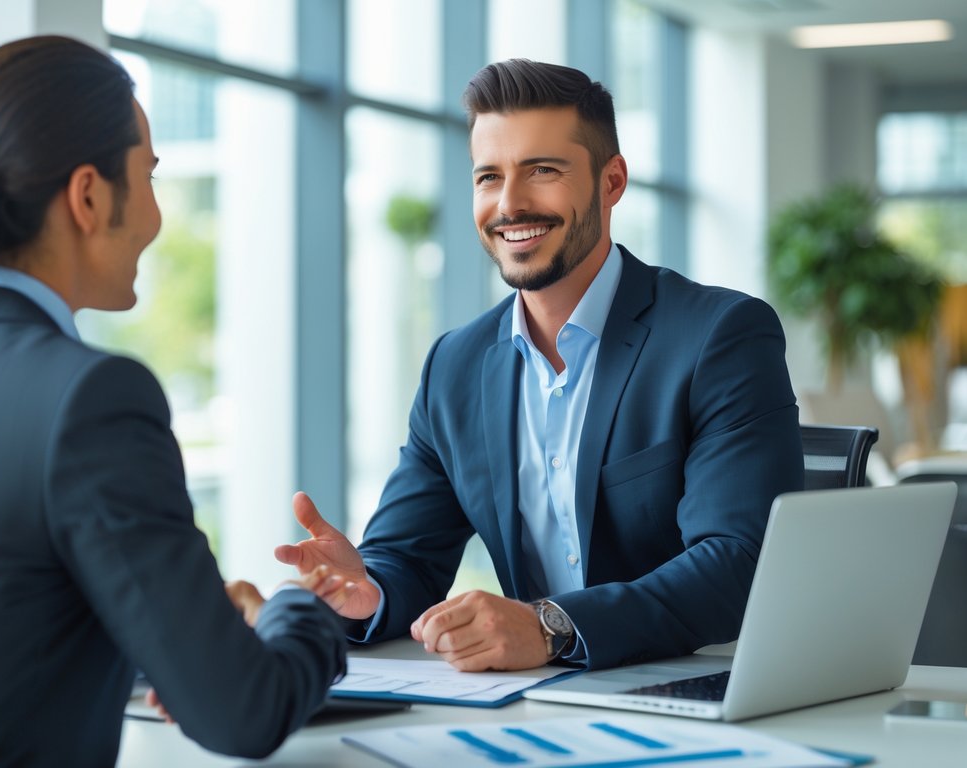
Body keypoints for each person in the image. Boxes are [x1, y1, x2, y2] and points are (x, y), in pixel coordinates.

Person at [0, 35, 345, 767]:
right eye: (149, 177)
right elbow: (244, 714)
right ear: (89, 196)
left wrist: (176, 637)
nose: (157, 218)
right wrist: (301, 610)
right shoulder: (92, 396)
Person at [276, 58, 803, 673]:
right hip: (538, 700)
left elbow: (740, 559)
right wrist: (365, 591)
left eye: (542, 171)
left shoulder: (719, 336)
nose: (510, 204)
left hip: (704, 685)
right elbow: (409, 558)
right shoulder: (456, 366)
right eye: (488, 177)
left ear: (611, 183)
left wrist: (552, 627)